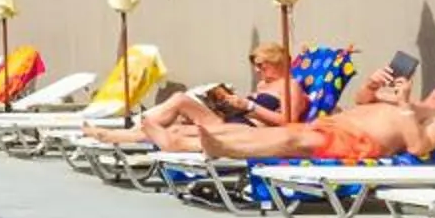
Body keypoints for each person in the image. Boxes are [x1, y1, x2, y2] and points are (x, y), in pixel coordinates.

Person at [167, 73, 435, 163]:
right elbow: (361, 100)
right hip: (335, 124)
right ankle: (185, 142)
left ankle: (220, 147)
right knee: (271, 136)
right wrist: (373, 84)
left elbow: (418, 147)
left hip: (357, 142)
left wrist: (404, 107)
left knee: (288, 140)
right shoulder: (405, 97)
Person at [89, 43, 301, 150]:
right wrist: (228, 101)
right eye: (256, 66)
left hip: (252, 130)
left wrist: (249, 106)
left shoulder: (291, 87)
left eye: (261, 66)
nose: (257, 71)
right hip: (233, 119)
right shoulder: (265, 85)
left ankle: (116, 135)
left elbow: (287, 122)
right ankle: (122, 134)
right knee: (178, 108)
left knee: (177, 122)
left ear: (277, 62)